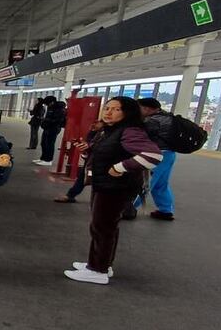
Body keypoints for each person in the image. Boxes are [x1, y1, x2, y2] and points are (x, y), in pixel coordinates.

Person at [63, 97, 161, 285]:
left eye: (115, 109)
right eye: (107, 108)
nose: (108, 112)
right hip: (106, 185)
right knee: (104, 226)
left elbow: (153, 155)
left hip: (115, 187)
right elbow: (106, 153)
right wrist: (87, 150)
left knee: (102, 227)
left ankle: (97, 270)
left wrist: (120, 168)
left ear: (127, 112)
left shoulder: (131, 131)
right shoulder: (111, 130)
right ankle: (100, 263)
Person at [134, 98, 177, 221]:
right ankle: (165, 210)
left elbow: (141, 136)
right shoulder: (169, 117)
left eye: (139, 108)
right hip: (170, 153)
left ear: (147, 108)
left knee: (145, 182)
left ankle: (129, 207)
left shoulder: (152, 121)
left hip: (156, 154)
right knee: (161, 183)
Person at [55, 120, 103, 203]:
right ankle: (71, 195)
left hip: (105, 160)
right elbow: (90, 142)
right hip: (93, 158)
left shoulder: (116, 130)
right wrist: (92, 131)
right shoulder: (98, 131)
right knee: (83, 176)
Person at [34, 97, 65, 166]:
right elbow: (48, 117)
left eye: (47, 103)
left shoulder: (59, 109)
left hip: (54, 128)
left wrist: (48, 122)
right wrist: (45, 123)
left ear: (52, 102)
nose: (47, 105)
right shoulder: (50, 107)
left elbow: (58, 120)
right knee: (43, 143)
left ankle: (48, 160)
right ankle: (43, 158)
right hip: (47, 127)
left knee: (50, 144)